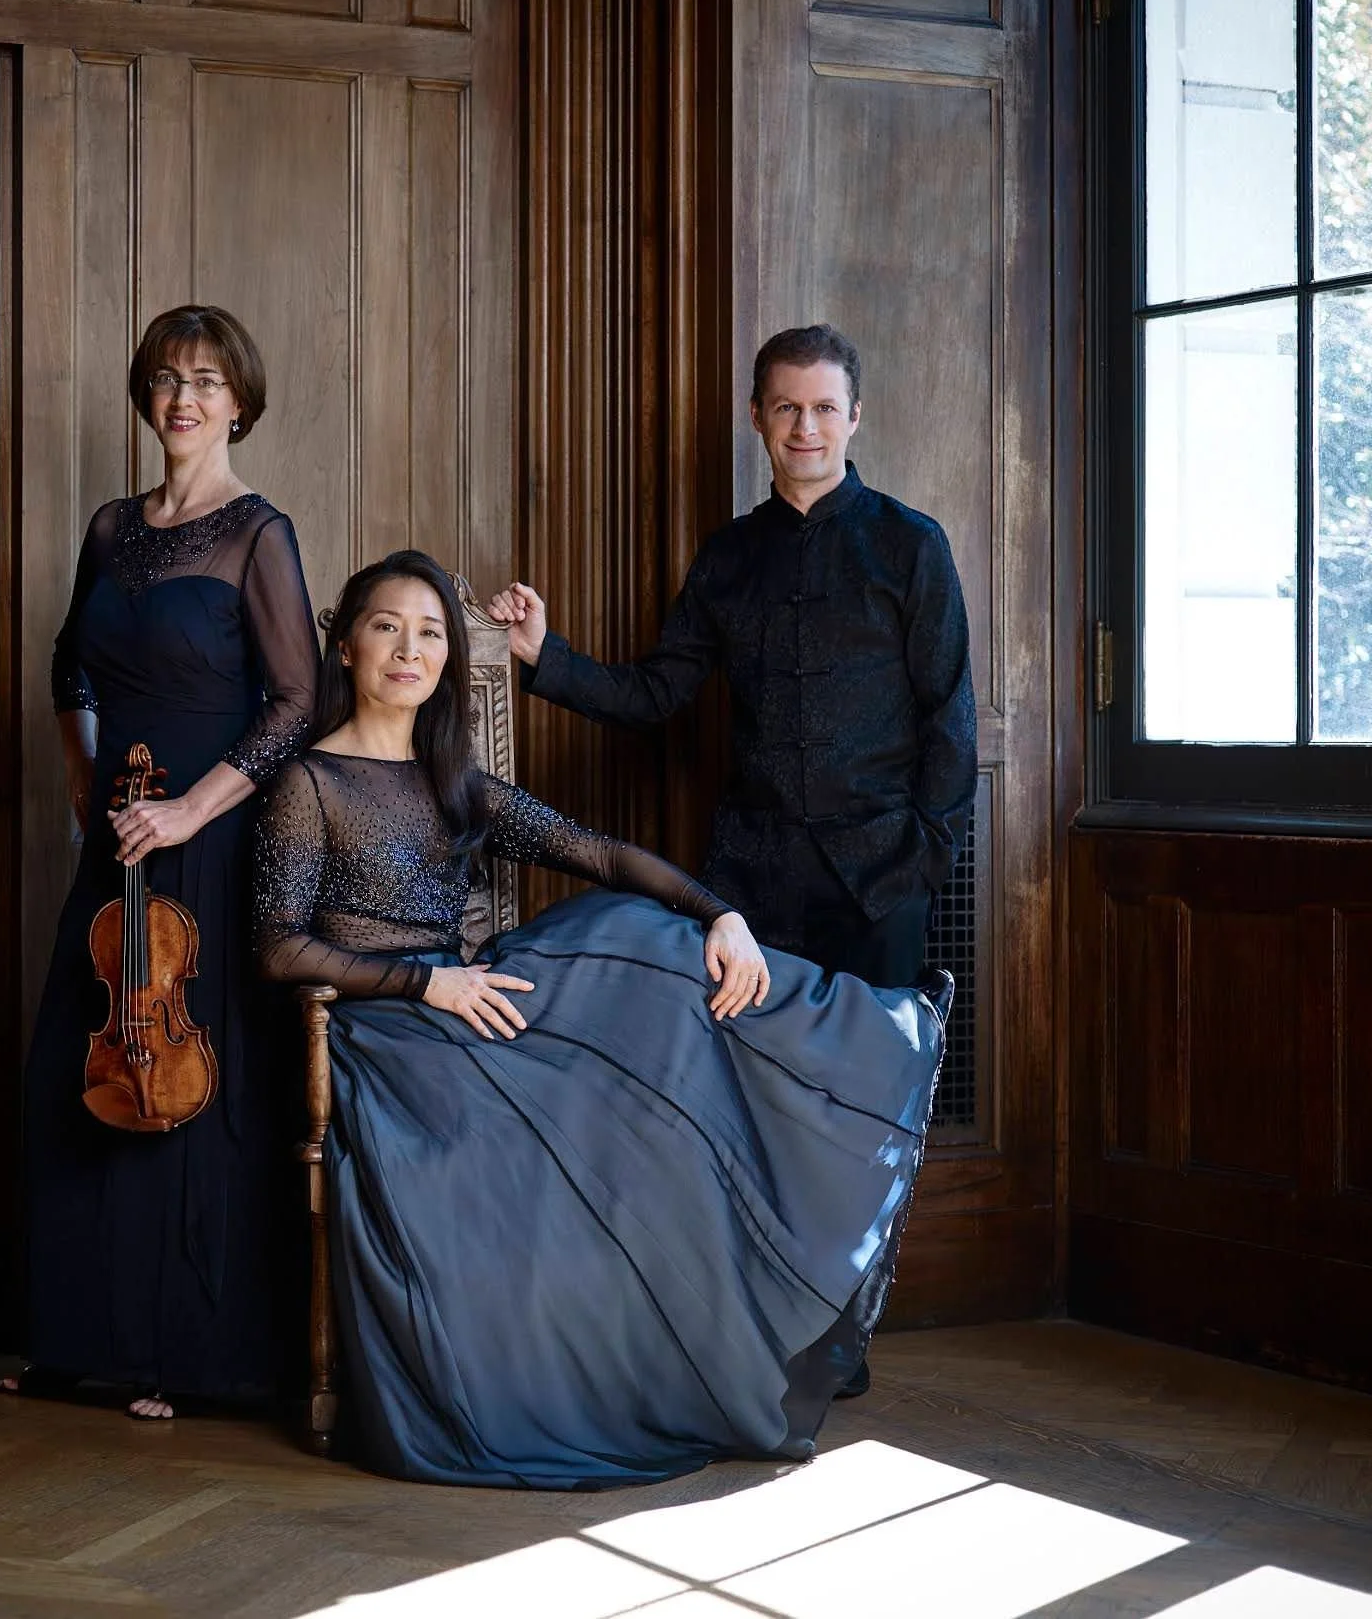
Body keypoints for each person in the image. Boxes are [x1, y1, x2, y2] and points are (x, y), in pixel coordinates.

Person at [253, 551, 949, 1489]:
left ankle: (868, 1036)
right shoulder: (309, 782)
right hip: (382, 1025)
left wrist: (719, 914)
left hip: (469, 1003)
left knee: (645, 958)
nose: (408, 649)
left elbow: (603, 854)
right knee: (554, 1100)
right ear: (347, 645)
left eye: (430, 634)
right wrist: (426, 988)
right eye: (387, 627)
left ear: (449, 661)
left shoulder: (455, 782)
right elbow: (279, 949)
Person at [8, 305, 321, 1421]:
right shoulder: (110, 529)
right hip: (121, 828)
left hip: (213, 833)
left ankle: (185, 1353)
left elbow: (298, 702)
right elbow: (68, 673)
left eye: (204, 381)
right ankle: (74, 1337)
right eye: (163, 380)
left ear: (239, 400)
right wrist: (85, 782)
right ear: (144, 398)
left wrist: (192, 809)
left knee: (194, 1081)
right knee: (82, 1071)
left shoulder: (257, 531)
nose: (182, 399)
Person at [487, 323, 976, 989]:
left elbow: (950, 716)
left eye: (824, 408)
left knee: (876, 1083)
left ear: (853, 417)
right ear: (757, 416)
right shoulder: (727, 555)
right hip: (752, 886)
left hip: (883, 880)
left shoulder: (912, 544)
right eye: (787, 407)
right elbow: (655, 693)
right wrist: (546, 652)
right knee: (752, 1080)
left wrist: (925, 860)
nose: (806, 426)